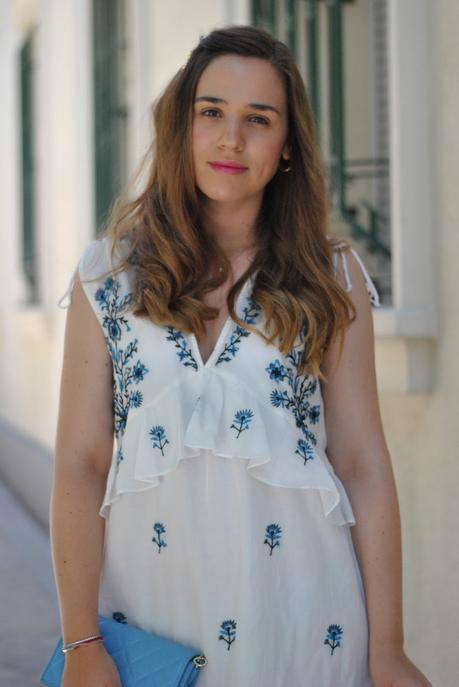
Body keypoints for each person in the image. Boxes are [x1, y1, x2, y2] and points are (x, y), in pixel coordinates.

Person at [50, 24, 432, 687]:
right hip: (148, 623)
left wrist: (388, 647)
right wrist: (81, 638)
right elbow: (80, 463)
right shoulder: (107, 275)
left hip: (304, 622)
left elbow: (362, 463)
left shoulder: (331, 275)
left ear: (286, 146)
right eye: (211, 113)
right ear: (182, 129)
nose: (231, 138)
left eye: (258, 119)